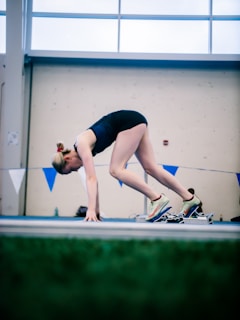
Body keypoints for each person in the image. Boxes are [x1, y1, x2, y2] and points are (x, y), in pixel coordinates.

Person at [52, 110, 200, 222]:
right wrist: (95, 211)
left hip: (128, 123)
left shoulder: (82, 144)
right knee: (150, 167)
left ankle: (157, 199)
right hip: (135, 120)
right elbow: (93, 183)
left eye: (71, 169)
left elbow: (91, 179)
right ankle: (189, 198)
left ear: (67, 158)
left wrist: (90, 210)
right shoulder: (82, 146)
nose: (77, 169)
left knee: (116, 170)